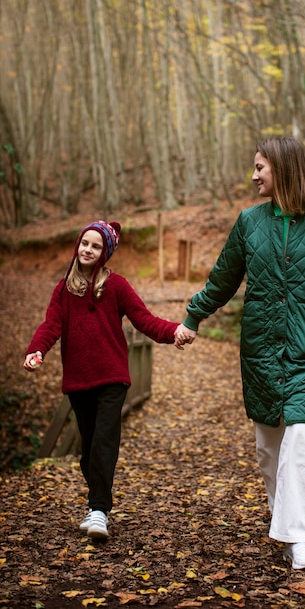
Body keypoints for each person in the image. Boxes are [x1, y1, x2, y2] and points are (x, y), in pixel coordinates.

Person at [175, 136, 305, 571]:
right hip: (261, 350)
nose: (254, 174)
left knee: (300, 441)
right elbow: (223, 278)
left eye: (260, 166)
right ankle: (286, 526)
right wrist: (192, 318)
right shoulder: (248, 221)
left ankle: (298, 540)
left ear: (282, 168)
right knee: (269, 447)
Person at [24, 220, 187, 539]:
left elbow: (144, 319)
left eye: (96, 246)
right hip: (78, 381)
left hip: (112, 378)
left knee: (103, 441)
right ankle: (96, 505)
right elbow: (51, 325)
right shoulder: (64, 289)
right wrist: (37, 350)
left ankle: (99, 510)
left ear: (105, 253)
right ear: (77, 245)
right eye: (85, 243)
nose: (88, 249)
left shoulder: (117, 286)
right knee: (88, 452)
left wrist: (174, 332)